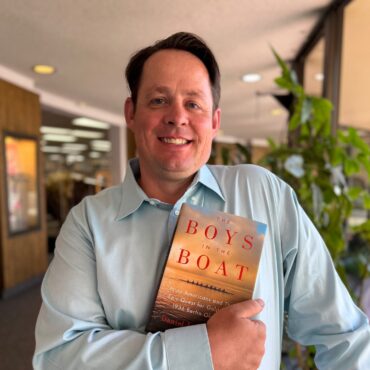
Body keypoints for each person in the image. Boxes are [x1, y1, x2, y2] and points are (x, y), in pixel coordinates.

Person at [33, 32, 370, 370]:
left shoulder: (264, 195)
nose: (177, 117)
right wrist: (202, 351)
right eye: (158, 100)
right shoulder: (88, 224)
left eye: (193, 103)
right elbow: (58, 359)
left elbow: (344, 336)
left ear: (215, 122)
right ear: (131, 113)